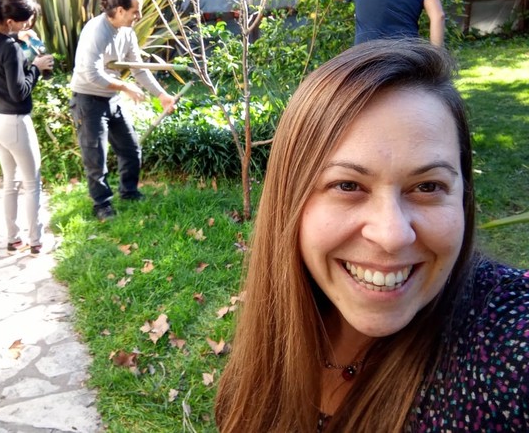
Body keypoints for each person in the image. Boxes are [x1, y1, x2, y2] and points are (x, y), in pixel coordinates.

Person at [215, 39, 529, 431]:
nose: (392, 235)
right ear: (288, 199)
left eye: (428, 187)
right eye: (348, 186)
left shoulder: (508, 342)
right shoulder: (280, 328)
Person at [69, 0, 175, 221]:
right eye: (135, 11)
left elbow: (138, 69)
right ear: (118, 10)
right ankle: (101, 204)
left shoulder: (127, 32)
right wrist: (125, 87)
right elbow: (90, 74)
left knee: (130, 148)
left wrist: (161, 95)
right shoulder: (97, 31)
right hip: (88, 100)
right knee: (96, 157)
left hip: (111, 99)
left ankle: (128, 191)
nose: (138, 16)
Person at [0, 0, 55, 255]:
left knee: (10, 182)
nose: (28, 26)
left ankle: (13, 239)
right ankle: (37, 241)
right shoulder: (10, 48)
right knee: (32, 183)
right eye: (24, 22)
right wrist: (37, 66)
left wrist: (21, 41)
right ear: (10, 21)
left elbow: (7, 67)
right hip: (15, 122)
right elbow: (19, 91)